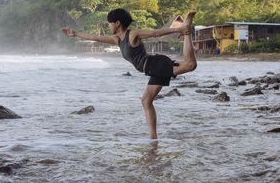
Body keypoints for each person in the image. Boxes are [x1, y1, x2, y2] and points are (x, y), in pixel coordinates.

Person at [61, 8, 197, 139]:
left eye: (110, 23)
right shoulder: (117, 39)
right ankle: (153, 138)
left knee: (190, 65)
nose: (109, 26)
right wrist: (75, 33)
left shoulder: (132, 34)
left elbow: (155, 33)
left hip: (154, 65)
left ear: (117, 23)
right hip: (152, 70)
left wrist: (179, 29)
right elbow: (95, 37)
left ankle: (186, 31)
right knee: (146, 101)